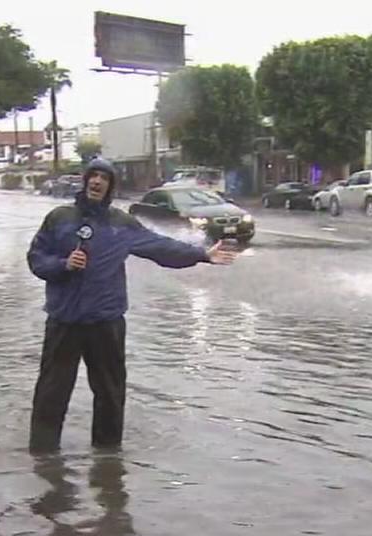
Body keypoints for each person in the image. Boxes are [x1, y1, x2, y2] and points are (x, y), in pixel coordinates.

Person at [27, 157, 238, 453]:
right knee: (52, 391)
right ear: (85, 180)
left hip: (106, 322)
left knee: (110, 393)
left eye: (105, 178)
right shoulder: (59, 218)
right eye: (93, 176)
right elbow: (36, 258)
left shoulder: (121, 224)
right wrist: (63, 264)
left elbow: (161, 247)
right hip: (65, 321)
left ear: (111, 186)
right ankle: (42, 455)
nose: (97, 182)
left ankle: (108, 457)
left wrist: (202, 254)